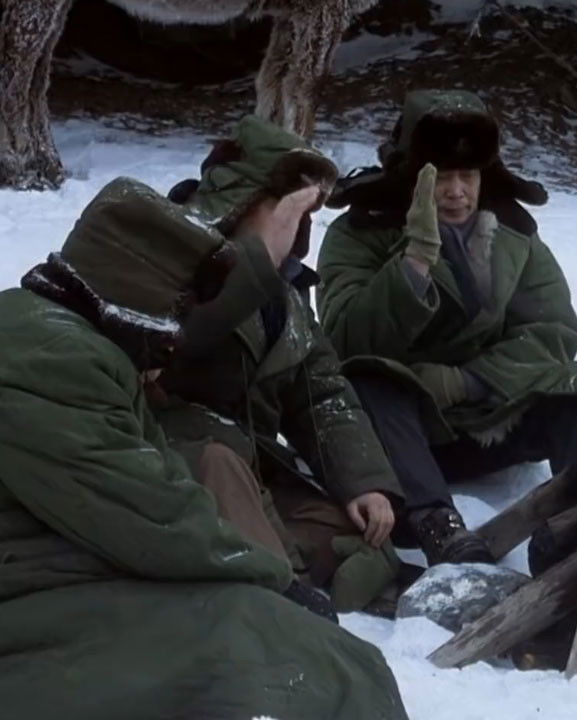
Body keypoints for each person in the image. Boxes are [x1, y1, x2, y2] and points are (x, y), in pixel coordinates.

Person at [0, 177, 408, 719]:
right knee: (275, 647)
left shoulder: (60, 337)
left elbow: (322, 392)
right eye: (170, 321)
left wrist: (361, 484)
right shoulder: (51, 358)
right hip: (29, 602)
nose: (172, 346)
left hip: (53, 574)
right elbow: (150, 514)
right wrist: (277, 583)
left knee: (295, 646)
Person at [317, 89, 577, 565]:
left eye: (468, 175)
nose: (456, 191)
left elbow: (552, 331)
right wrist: (414, 261)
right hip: (404, 438)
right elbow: (344, 340)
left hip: (490, 419)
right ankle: (439, 526)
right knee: (367, 382)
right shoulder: (360, 233)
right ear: (412, 176)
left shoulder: (513, 232)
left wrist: (466, 382)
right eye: (440, 177)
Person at [159, 115, 405, 612]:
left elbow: (322, 392)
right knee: (224, 475)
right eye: (287, 208)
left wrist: (364, 483)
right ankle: (278, 584)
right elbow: (175, 342)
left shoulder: (287, 290)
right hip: (175, 465)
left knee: (359, 536)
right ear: (242, 200)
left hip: (258, 469)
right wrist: (255, 265)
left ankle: (276, 564)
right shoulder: (171, 259)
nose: (297, 226)